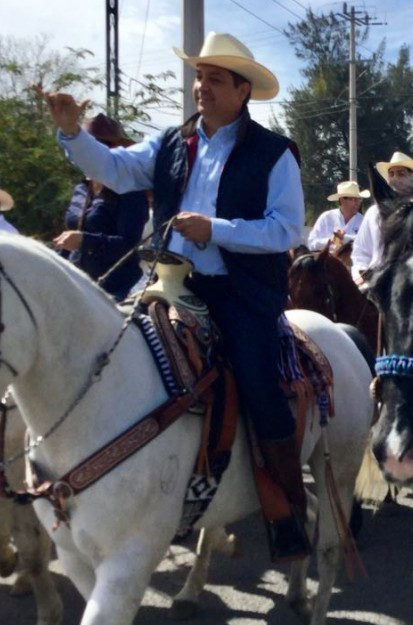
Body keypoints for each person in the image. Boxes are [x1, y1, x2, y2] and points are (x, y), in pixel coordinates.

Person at [37, 32, 309, 561]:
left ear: (242, 90)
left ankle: (286, 508)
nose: (201, 87)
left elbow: (287, 230)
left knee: (256, 380)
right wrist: (71, 131)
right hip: (166, 281)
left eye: (213, 78)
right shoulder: (168, 142)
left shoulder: (275, 155)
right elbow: (114, 170)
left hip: (239, 291)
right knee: (107, 352)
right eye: (199, 77)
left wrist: (218, 229)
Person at [54, 114, 149, 302]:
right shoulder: (81, 189)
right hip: (78, 284)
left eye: (103, 144)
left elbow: (130, 245)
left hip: (119, 288)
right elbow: (71, 236)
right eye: (91, 145)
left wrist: (84, 241)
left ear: (114, 149)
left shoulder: (129, 191)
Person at [351, 151, 413, 283]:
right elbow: (360, 252)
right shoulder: (373, 212)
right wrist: (361, 272)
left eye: (401, 174)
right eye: (391, 174)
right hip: (375, 281)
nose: (395, 178)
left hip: (412, 281)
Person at [307, 180, 368, 251]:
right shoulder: (326, 217)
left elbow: (368, 243)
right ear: (342, 200)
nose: (357, 203)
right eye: (353, 199)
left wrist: (342, 238)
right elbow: (311, 243)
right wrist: (330, 240)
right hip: (328, 261)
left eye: (359, 199)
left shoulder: (364, 221)